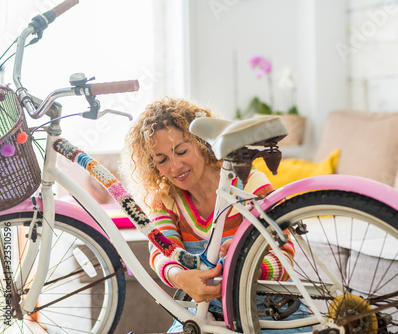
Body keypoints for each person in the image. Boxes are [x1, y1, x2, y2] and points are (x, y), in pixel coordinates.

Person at [121, 97, 300, 331]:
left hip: (267, 311)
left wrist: (241, 267)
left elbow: (285, 255)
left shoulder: (248, 185)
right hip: (201, 313)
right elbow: (161, 250)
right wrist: (180, 278)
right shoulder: (165, 199)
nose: (175, 167)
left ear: (201, 143)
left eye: (182, 151)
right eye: (162, 160)